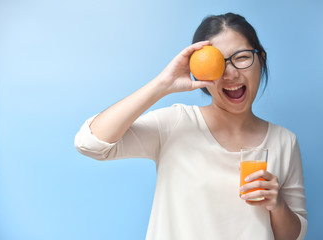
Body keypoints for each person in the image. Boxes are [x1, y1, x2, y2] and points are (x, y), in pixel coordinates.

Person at [75, 13, 307, 240]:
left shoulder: (284, 141)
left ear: (261, 58)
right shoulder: (176, 124)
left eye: (242, 57)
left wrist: (278, 206)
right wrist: (162, 84)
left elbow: (293, 236)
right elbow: (90, 143)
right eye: (219, 63)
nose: (232, 73)